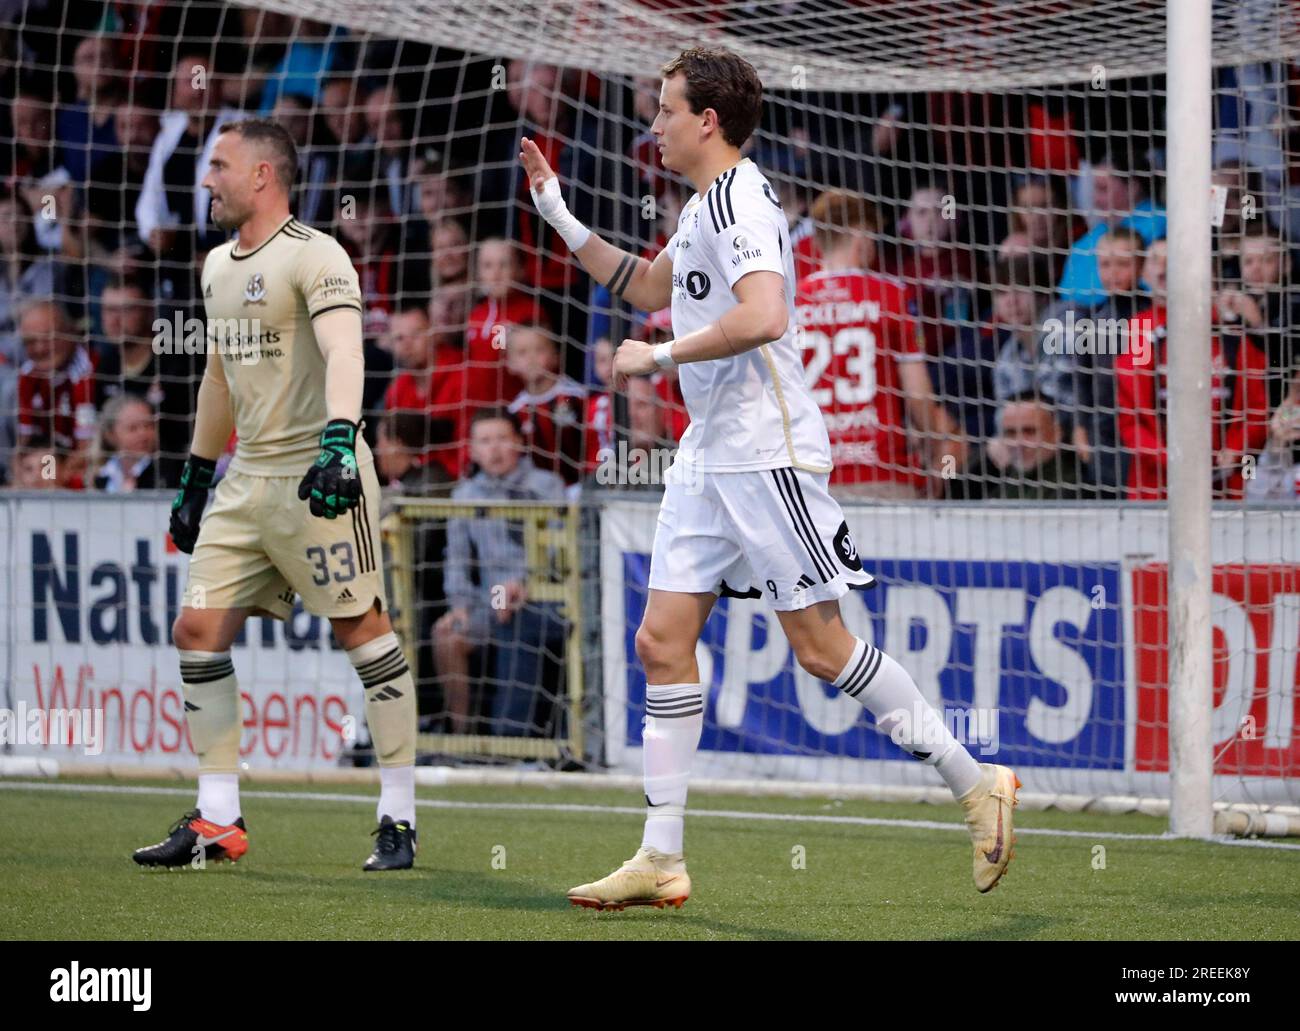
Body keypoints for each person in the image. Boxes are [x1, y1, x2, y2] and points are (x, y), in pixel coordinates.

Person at [521, 46, 1019, 909]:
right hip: (708, 454)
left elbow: (765, 314)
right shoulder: (704, 203)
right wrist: (557, 212)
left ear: (706, 120)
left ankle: (977, 783)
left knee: (822, 649)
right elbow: (645, 285)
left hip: (766, 452)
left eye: (665, 109)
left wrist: (660, 356)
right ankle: (660, 856)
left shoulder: (742, 198)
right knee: (661, 642)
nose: (653, 125)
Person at [131, 118, 419, 873]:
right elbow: (219, 378)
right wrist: (197, 473)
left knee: (362, 630)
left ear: (263, 175)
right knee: (196, 631)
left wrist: (337, 441)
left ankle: (398, 816)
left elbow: (344, 349)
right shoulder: (216, 265)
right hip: (247, 478)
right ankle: (219, 818)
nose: (206, 180)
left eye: (218, 166)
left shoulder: (318, 254)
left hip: (317, 474)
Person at [434, 408, 569, 736]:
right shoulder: (464, 495)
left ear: (519, 443)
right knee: (445, 634)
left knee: (516, 615)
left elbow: (557, 550)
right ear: (473, 450)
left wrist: (523, 581)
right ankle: (461, 736)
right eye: (485, 441)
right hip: (488, 600)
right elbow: (457, 558)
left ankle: (512, 736)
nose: (494, 449)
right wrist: (459, 606)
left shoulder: (546, 485)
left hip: (539, 595)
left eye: (502, 439)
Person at [92, 393, 160, 491]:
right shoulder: (99, 475)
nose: (143, 434)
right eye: (132, 428)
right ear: (110, 434)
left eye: (148, 426)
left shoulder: (168, 473)